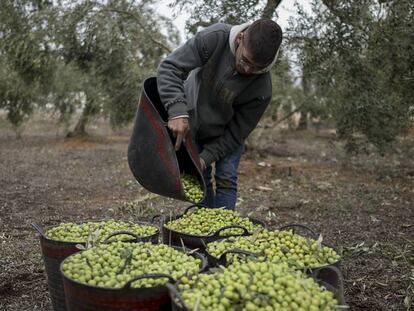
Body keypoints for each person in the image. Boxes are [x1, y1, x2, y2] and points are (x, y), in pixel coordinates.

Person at [156, 19, 282, 210]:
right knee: (200, 179)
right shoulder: (215, 38)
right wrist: (177, 110)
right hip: (195, 123)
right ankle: (202, 234)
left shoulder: (262, 89)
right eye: (245, 61)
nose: (248, 70)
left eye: (257, 68)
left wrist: (206, 158)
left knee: (226, 179)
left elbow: (236, 133)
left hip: (226, 134)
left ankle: (224, 234)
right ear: (240, 38)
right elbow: (170, 68)